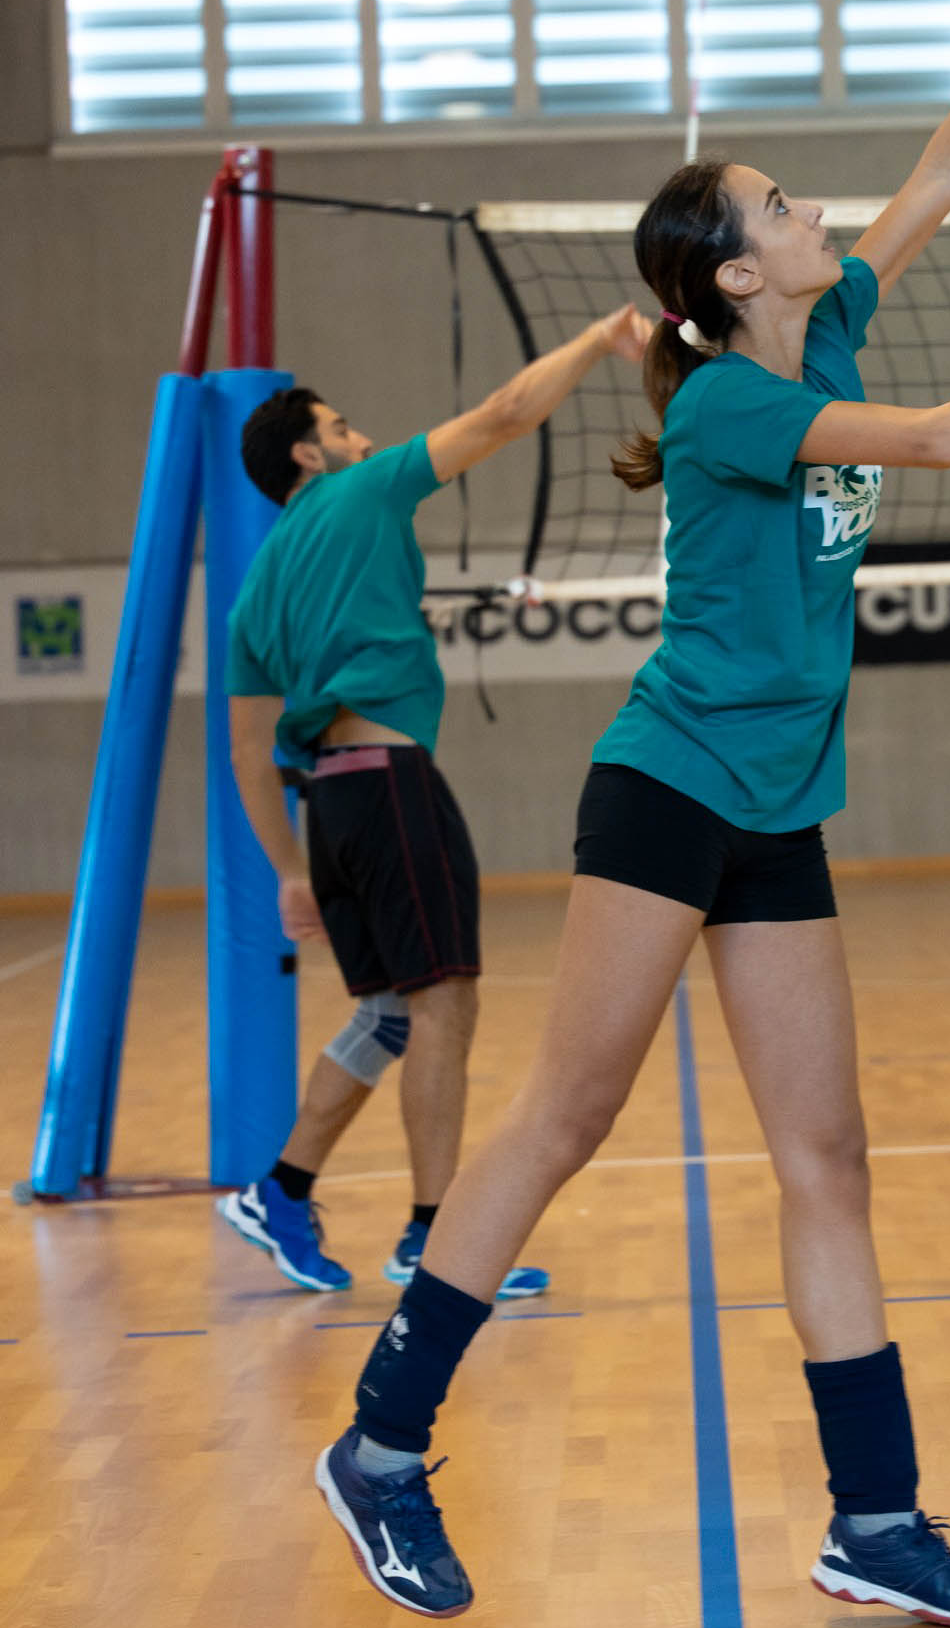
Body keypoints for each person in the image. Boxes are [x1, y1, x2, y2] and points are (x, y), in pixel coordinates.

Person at [314, 0, 950, 1627]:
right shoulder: (724, 410)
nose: (812, 210)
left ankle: (874, 1522)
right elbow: (944, 439)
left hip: (777, 808)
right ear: (734, 275)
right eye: (778, 206)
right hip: (669, 787)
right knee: (566, 1119)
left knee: (828, 1154)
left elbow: (947, 166)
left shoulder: (817, 332)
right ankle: (381, 1448)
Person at [216, 303, 650, 1299]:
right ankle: (433, 1239)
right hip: (388, 786)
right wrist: (597, 340)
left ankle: (280, 1191)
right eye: (342, 427)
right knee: (444, 1003)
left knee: (385, 1014)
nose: (363, 437)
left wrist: (289, 869)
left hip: (328, 807)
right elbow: (504, 414)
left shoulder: (256, 589)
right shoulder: (365, 489)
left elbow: (245, 747)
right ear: (310, 456)